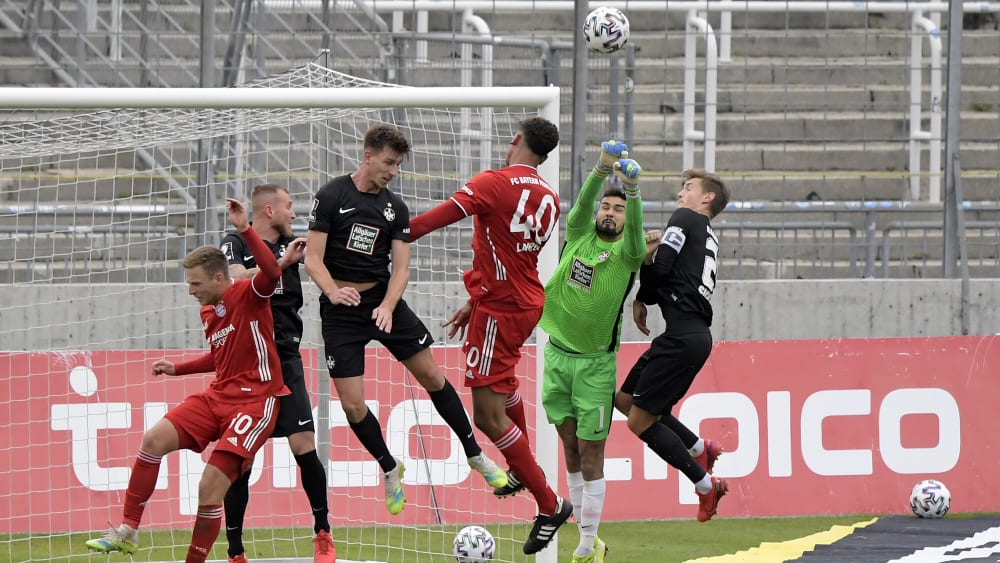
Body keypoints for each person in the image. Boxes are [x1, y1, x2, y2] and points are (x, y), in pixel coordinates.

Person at [303, 124, 507, 517]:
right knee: (353, 405)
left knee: (432, 376)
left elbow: (401, 270)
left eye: (397, 164)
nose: (393, 171)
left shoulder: (394, 207)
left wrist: (387, 305)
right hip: (340, 310)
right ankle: (390, 466)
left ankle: (475, 454)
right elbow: (313, 258)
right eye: (388, 162)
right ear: (368, 156)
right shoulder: (331, 196)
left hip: (383, 301)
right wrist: (332, 291)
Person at [85, 198, 291, 563]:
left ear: (218, 277)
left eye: (195, 283)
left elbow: (273, 273)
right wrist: (177, 368)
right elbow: (220, 356)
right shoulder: (210, 310)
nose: (191, 290)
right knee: (153, 439)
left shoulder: (249, 294)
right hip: (218, 396)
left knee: (210, 486)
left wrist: (245, 228)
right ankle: (128, 530)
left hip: (256, 401)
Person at [408, 116, 571, 555]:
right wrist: (475, 299)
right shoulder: (549, 195)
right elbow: (511, 255)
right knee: (506, 385)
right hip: (520, 301)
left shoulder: (493, 183)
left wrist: (383, 229)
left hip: (502, 309)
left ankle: (549, 503)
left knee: (486, 416)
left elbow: (427, 223)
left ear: (515, 140)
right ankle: (525, 469)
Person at [537, 140, 646, 563]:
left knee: (592, 450)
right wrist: (602, 168)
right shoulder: (580, 235)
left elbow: (636, 233)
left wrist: (633, 192)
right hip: (557, 356)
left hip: (595, 367)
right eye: (608, 207)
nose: (610, 213)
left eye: (618, 210)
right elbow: (579, 207)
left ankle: (586, 542)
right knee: (568, 446)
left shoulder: (627, 254)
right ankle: (586, 535)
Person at [219, 184, 335, 563]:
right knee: (242, 459)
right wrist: (278, 264)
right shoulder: (235, 241)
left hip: (285, 358)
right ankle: (235, 550)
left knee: (304, 445)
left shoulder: (296, 248)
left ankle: (323, 534)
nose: (294, 214)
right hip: (247, 363)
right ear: (268, 210)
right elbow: (234, 279)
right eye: (288, 207)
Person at [615, 168, 732, 523]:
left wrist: (644, 274)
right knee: (624, 401)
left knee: (639, 423)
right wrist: (648, 277)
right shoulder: (705, 233)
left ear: (707, 198)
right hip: (685, 336)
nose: (681, 193)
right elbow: (669, 265)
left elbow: (662, 264)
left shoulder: (685, 218)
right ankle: (700, 447)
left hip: (682, 338)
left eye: (689, 187)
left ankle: (704, 485)